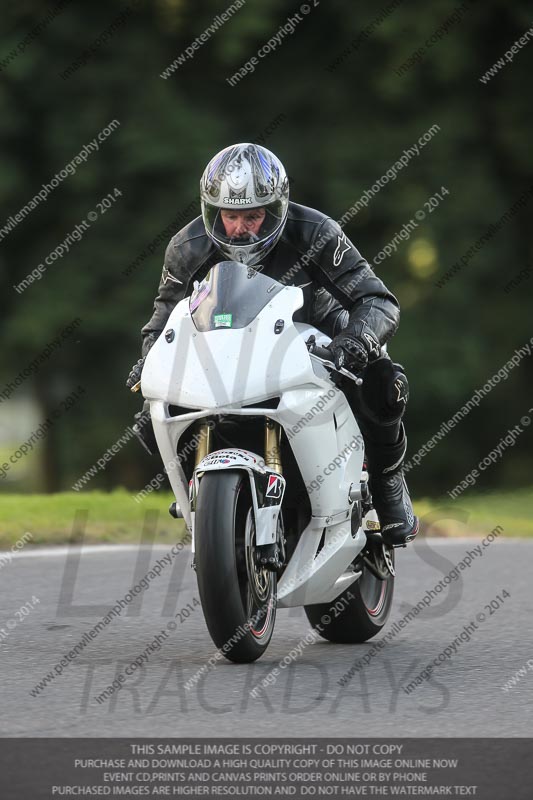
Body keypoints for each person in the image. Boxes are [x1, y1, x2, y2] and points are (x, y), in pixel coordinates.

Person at [127, 143, 418, 546]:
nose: (241, 227)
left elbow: (378, 300)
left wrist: (353, 343)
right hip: (227, 344)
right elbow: (162, 321)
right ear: (213, 211)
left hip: (315, 326)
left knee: (384, 379)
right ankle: (201, 495)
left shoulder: (316, 231)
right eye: (230, 216)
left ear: (277, 208)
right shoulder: (186, 247)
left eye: (254, 215)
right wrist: (149, 363)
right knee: (150, 415)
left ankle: (388, 483)